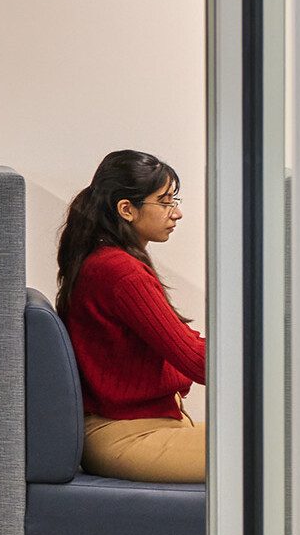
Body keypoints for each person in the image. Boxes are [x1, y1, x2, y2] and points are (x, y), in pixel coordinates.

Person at [56, 149, 205, 484]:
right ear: (126, 209)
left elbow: (183, 346)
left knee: (281, 441)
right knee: (280, 450)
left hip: (139, 425)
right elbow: (197, 361)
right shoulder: (120, 271)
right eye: (165, 201)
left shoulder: (108, 259)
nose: (177, 212)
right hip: (126, 434)